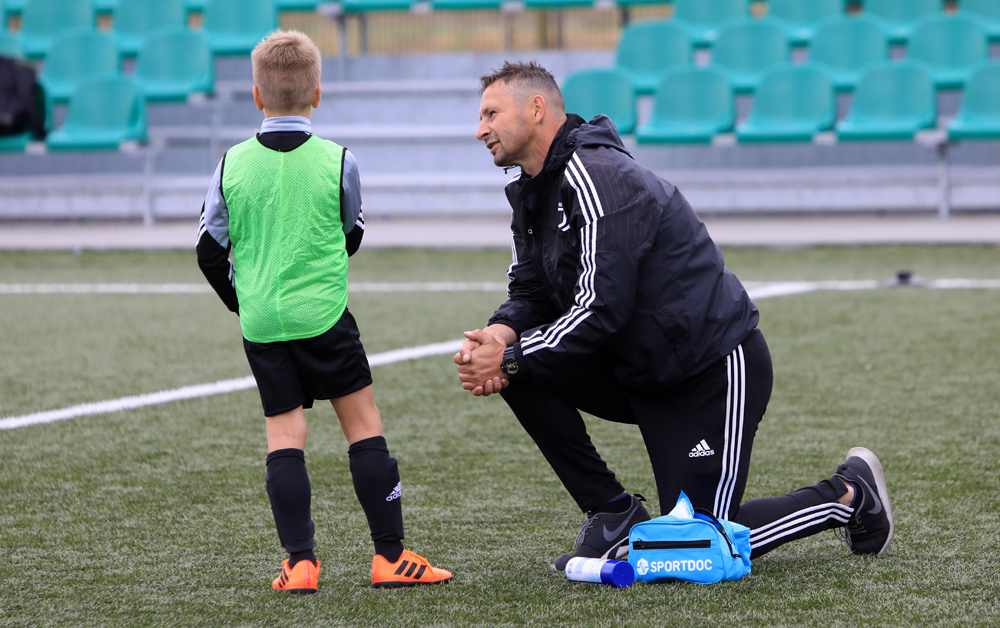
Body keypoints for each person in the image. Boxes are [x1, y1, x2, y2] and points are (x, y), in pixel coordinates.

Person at [456, 60, 894, 570]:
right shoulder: (530, 190)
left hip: (707, 369)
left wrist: (510, 356)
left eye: (491, 114)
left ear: (536, 109)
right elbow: (531, 287)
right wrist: (497, 336)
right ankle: (613, 512)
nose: (480, 129)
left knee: (692, 547)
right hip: (638, 368)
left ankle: (848, 495)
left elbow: (601, 308)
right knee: (518, 365)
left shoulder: (598, 175)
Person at [196, 30, 451, 592]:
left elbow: (209, 252)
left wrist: (245, 303)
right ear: (317, 93)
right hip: (326, 315)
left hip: (263, 324)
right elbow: (351, 233)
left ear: (256, 97)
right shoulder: (339, 160)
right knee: (363, 426)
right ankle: (389, 556)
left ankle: (300, 564)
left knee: (284, 435)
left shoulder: (230, 163)